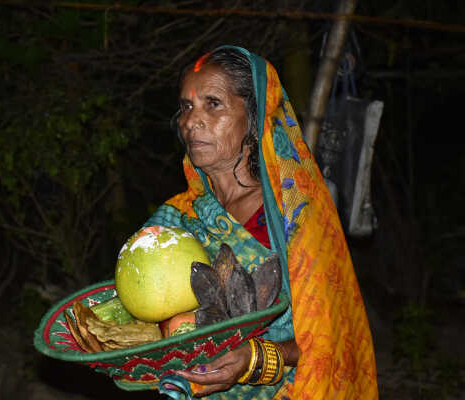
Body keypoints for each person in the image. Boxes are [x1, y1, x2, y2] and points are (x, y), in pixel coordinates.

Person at [144, 45, 378, 399]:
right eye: (187, 106)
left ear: (254, 117)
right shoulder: (175, 220)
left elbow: (328, 339)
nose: (192, 121)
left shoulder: (295, 215)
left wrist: (256, 358)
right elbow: (142, 317)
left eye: (213, 103)